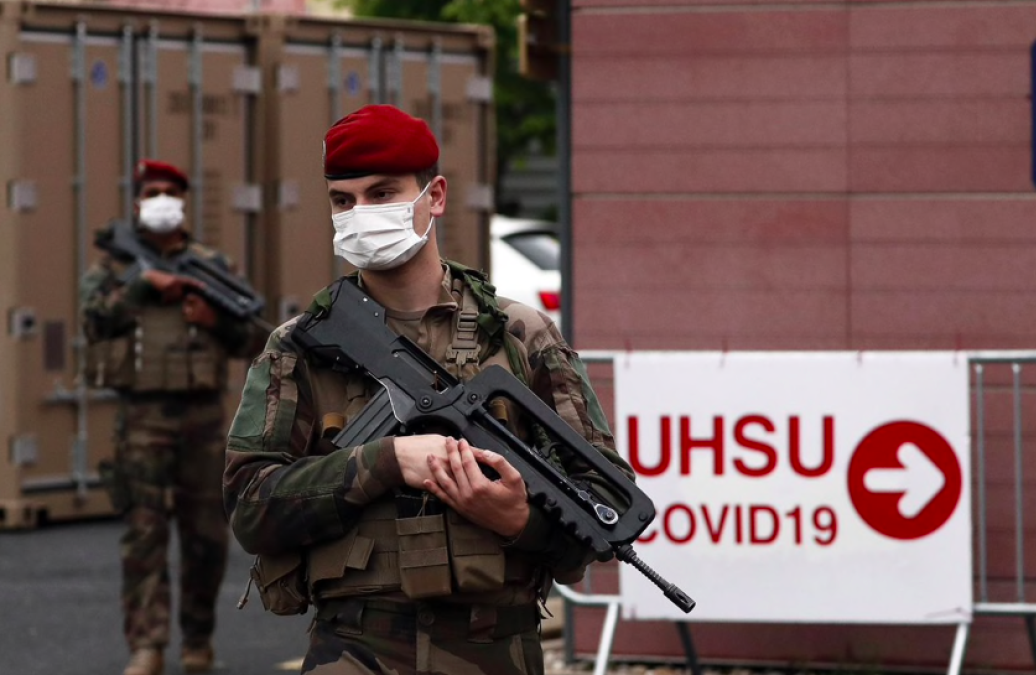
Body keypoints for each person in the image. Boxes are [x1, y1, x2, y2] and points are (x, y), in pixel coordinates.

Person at [222, 104, 633, 675]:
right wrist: (386, 461)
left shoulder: (519, 334)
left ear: (434, 196)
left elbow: (605, 500)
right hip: (352, 649)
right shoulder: (300, 345)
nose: (360, 214)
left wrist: (517, 518)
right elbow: (249, 507)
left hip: (496, 649)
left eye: (382, 194)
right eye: (343, 200)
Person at [80, 159, 263, 675]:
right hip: (141, 419)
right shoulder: (115, 267)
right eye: (152, 191)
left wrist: (212, 320)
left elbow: (254, 336)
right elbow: (93, 322)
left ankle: (197, 640)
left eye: (170, 192)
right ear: (137, 202)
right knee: (143, 533)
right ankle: (148, 645)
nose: (161, 200)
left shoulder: (211, 266)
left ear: (183, 202)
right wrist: (143, 287)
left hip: (202, 418)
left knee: (206, 535)